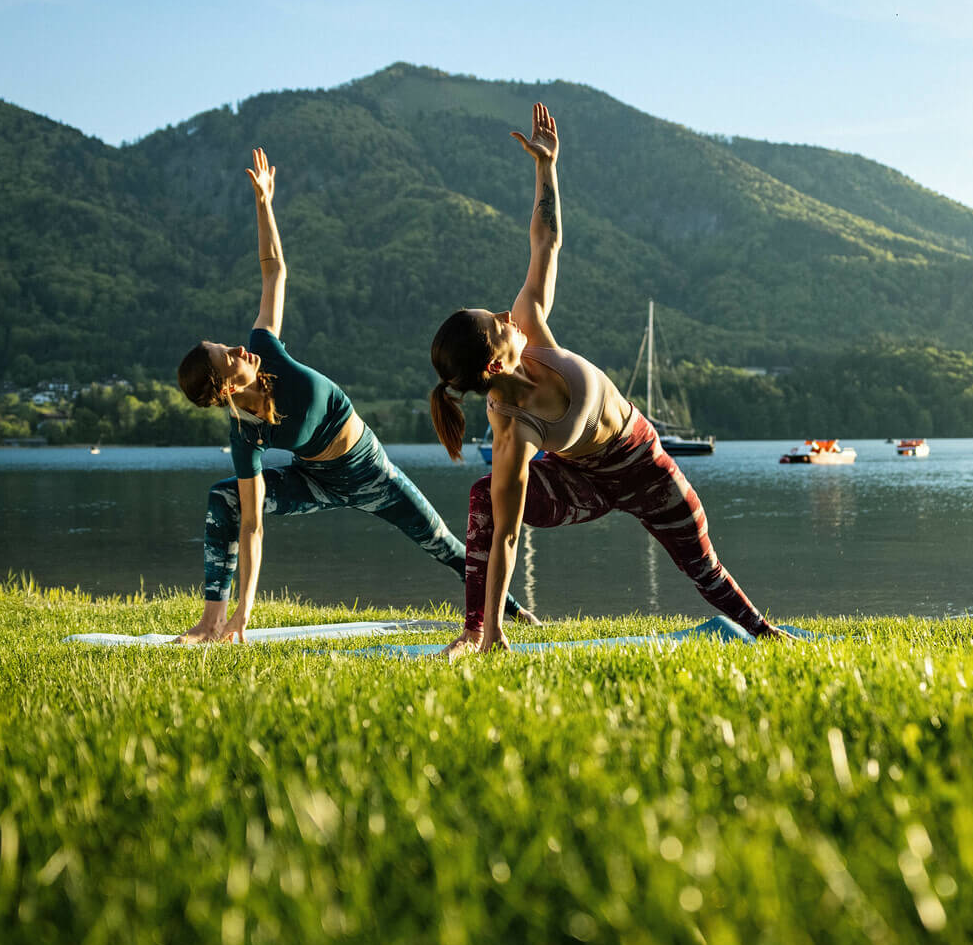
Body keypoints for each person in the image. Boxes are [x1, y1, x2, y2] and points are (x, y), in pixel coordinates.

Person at [428, 103, 789, 654]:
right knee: (487, 498)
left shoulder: (529, 325)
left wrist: (546, 167)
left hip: (643, 462)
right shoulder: (512, 431)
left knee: (703, 564)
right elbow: (507, 534)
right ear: (494, 366)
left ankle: (765, 633)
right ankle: (476, 631)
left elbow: (545, 243)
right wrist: (494, 630)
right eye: (497, 325)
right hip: (582, 484)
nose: (505, 315)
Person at [173, 148, 533, 642]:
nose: (238, 347)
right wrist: (244, 615)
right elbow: (253, 526)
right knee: (224, 499)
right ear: (228, 387)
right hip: (315, 480)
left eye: (227, 345)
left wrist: (264, 203)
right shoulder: (246, 436)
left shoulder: (265, 348)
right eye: (226, 356)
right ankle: (214, 622)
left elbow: (274, 271)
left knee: (443, 543)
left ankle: (516, 612)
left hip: (369, 469)